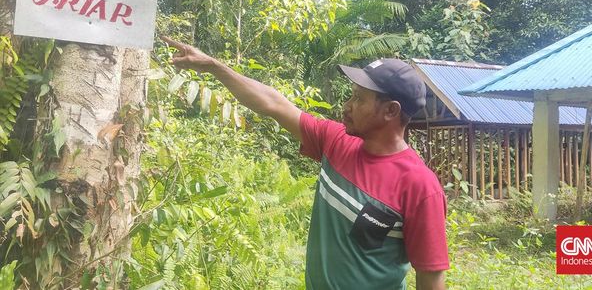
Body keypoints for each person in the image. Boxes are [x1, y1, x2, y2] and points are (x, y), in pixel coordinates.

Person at [161, 36, 449, 290]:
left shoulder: (419, 186)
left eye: (359, 99)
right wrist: (213, 66)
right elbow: (273, 104)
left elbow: (430, 278)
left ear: (390, 111)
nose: (347, 105)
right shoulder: (336, 141)